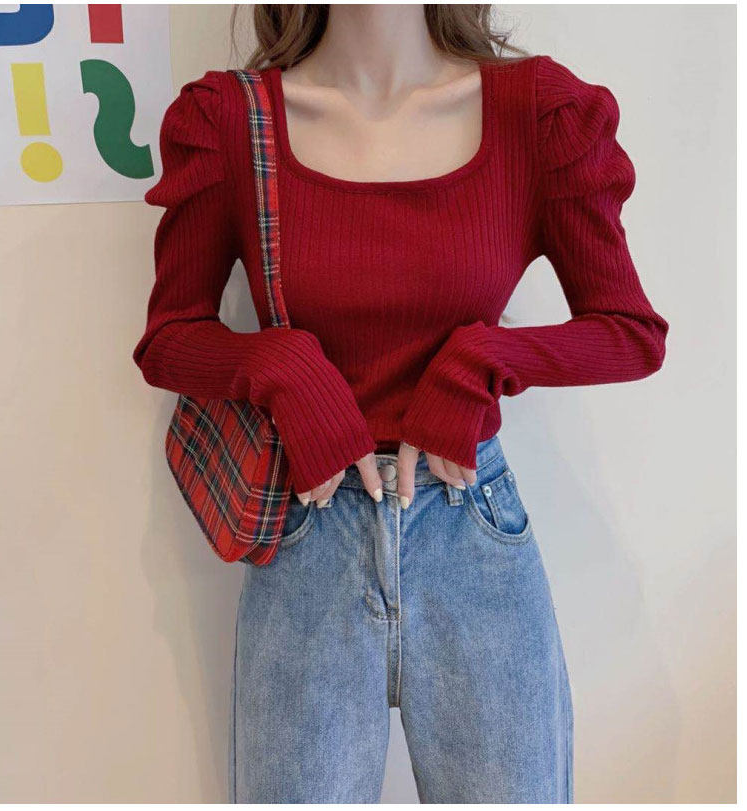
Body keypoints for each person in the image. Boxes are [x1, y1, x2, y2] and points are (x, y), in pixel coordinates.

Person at [132, 4, 668, 803]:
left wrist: (484, 361)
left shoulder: (538, 116)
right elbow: (170, 338)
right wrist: (281, 366)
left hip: (471, 532)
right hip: (307, 537)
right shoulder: (232, 123)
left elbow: (630, 332)